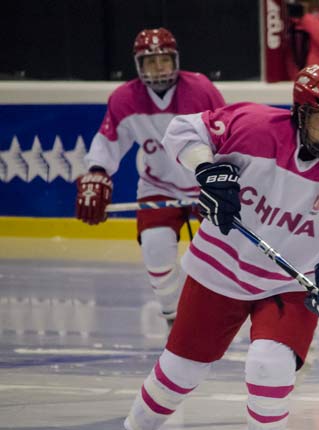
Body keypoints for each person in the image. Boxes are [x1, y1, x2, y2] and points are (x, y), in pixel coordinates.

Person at [83, 64, 319, 430]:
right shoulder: (253, 126)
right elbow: (184, 131)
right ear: (300, 114)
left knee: (269, 363)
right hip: (220, 268)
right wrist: (207, 171)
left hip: (288, 279)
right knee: (178, 372)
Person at [75, 28, 225, 325]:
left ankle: (217, 318)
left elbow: (227, 133)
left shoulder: (201, 90)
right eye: (150, 61)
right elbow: (108, 142)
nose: (159, 68)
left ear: (176, 60)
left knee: (219, 261)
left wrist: (225, 179)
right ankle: (173, 316)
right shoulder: (124, 99)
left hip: (204, 187)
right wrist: (96, 171)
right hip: (158, 186)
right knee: (156, 252)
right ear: (138, 65)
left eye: (164, 60)